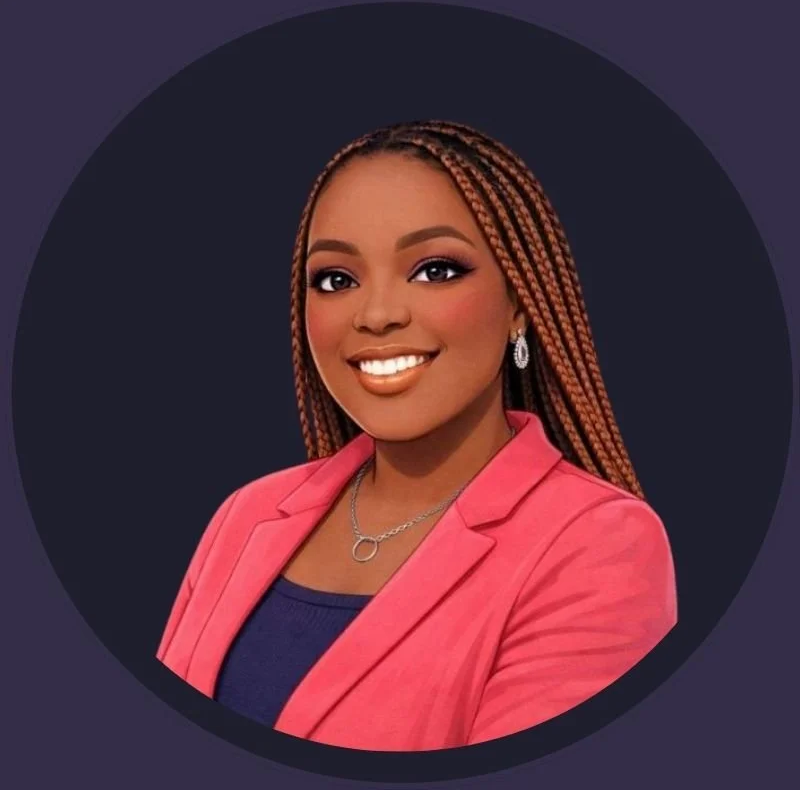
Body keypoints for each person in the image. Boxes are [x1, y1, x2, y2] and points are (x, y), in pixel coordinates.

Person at [156, 120, 678, 751]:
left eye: (435, 270)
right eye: (337, 280)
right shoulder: (247, 515)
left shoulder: (598, 544)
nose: (377, 315)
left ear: (519, 302)